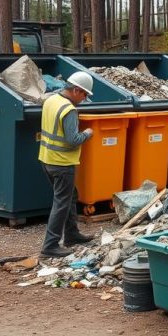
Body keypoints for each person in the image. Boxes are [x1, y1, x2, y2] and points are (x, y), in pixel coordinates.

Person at [38, 71, 96, 258]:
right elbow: (73, 139)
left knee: (70, 196)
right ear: (77, 90)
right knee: (61, 203)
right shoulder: (69, 110)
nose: (85, 98)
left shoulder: (51, 100)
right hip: (62, 163)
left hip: (47, 159)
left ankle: (72, 234)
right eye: (85, 94)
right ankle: (50, 245)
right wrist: (88, 133)